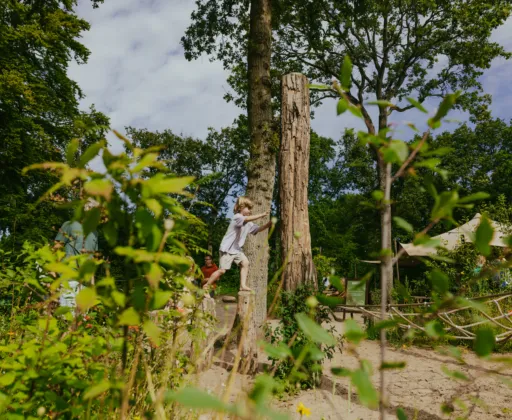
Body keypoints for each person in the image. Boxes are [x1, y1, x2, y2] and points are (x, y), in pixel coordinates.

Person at [203, 197, 271, 293]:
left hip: (236, 249)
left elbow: (257, 229)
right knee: (222, 270)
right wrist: (262, 214)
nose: (250, 211)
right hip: (227, 249)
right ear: (240, 208)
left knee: (245, 263)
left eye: (250, 208)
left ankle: (242, 286)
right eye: (248, 208)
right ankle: (206, 285)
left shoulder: (248, 223)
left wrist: (269, 224)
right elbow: (246, 219)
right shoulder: (237, 217)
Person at [53, 199, 99, 308]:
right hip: (68, 279)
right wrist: (53, 275)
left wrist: (93, 285)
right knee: (68, 318)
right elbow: (56, 249)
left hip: (86, 283)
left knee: (82, 321)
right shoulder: (69, 225)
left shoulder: (95, 233)